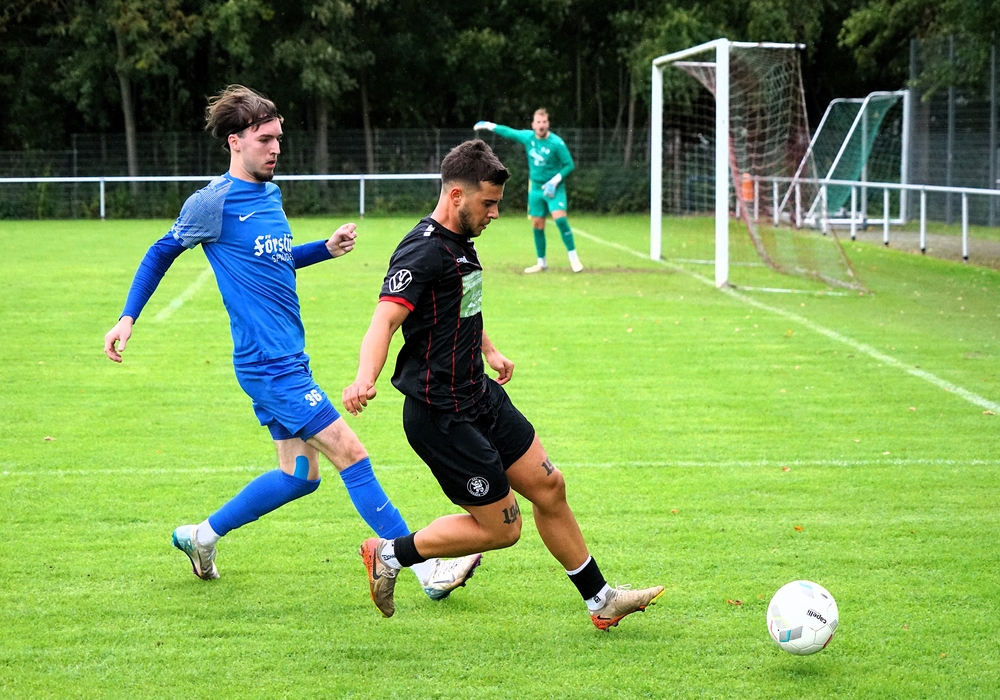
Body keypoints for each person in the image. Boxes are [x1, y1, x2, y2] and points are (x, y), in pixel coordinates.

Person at [102, 85, 480, 600]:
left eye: (279, 138)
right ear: (235, 141)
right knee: (352, 453)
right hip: (267, 364)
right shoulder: (212, 203)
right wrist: (127, 319)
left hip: (289, 358)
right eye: (265, 139)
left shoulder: (270, 195)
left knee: (299, 475)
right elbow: (159, 252)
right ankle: (423, 569)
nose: (276, 148)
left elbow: (274, 260)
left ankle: (201, 537)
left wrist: (323, 249)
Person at [342, 140, 663, 629]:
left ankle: (601, 601)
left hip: (479, 394)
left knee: (550, 486)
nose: (495, 213)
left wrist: (488, 350)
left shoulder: (461, 241)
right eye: (488, 203)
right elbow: (383, 320)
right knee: (502, 528)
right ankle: (388, 554)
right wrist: (364, 379)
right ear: (456, 195)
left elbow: (461, 304)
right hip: (440, 413)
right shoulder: (422, 250)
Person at [474, 108, 583, 274]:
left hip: (554, 188)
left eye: (544, 122)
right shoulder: (529, 138)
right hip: (536, 188)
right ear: (533, 125)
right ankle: (541, 262)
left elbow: (569, 165)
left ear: (548, 124)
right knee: (537, 223)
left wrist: (554, 182)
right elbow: (510, 132)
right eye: (538, 122)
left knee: (560, 219)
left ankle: (574, 258)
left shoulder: (557, 142)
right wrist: (489, 125)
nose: (541, 125)